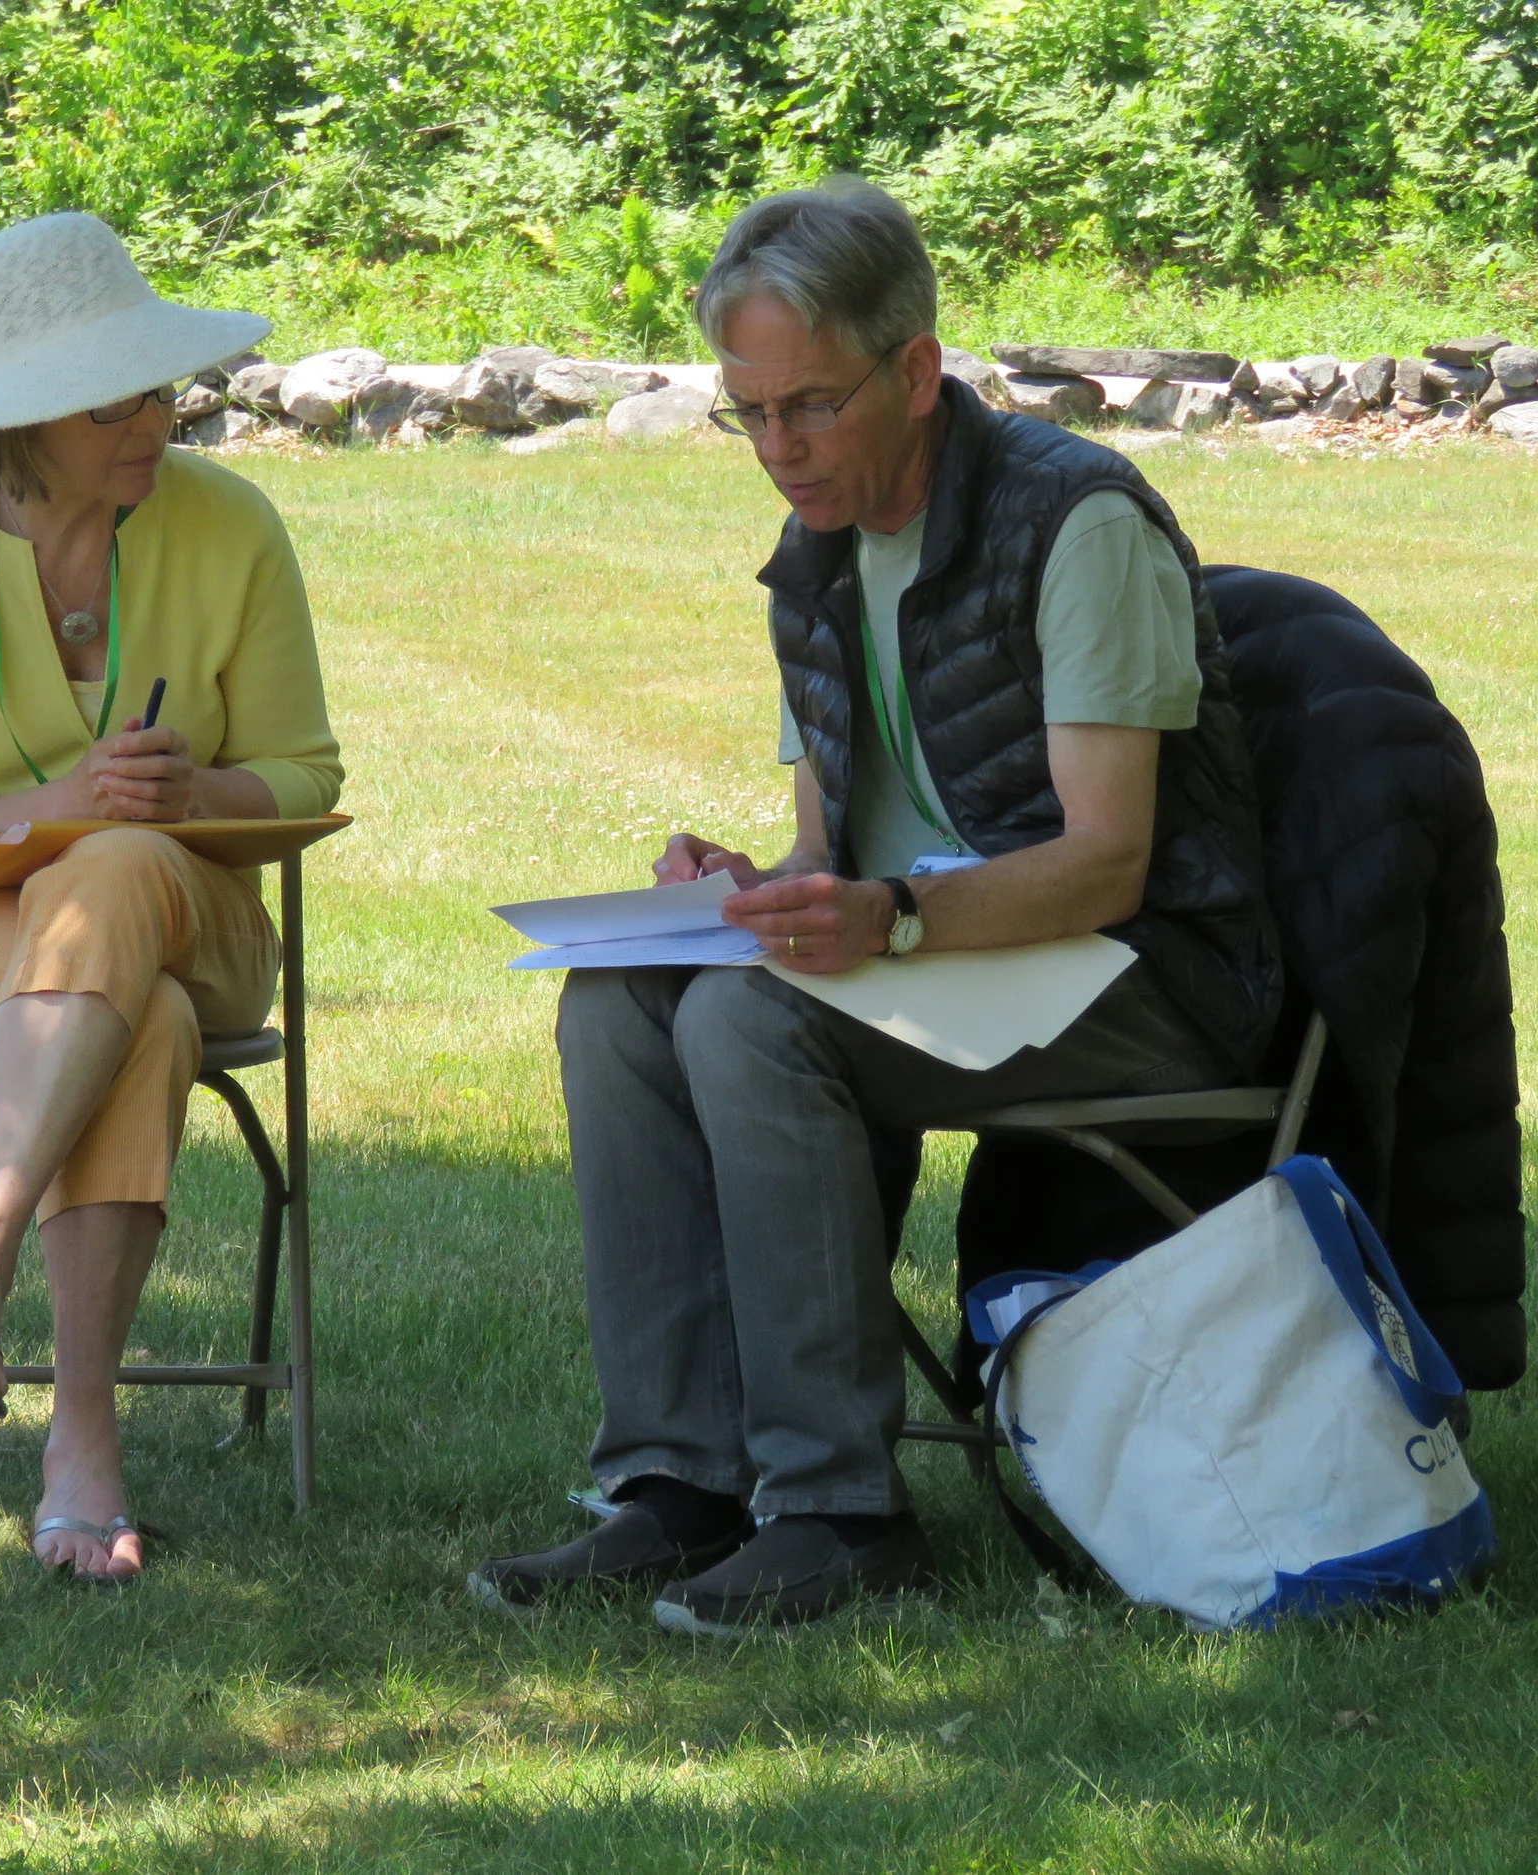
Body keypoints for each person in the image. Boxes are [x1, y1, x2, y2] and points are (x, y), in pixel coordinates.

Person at [469, 178, 1281, 1635]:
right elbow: (831, 843)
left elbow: (1109, 862)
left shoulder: (1075, 520)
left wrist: (888, 917)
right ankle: (680, 1485)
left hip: (1139, 980)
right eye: (751, 413)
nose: (780, 449)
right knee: (618, 1005)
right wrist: (760, 886)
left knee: (748, 1021)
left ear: (916, 371)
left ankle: (840, 1506)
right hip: (949, 963)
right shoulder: (818, 560)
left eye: (811, 407)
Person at [0, 212, 341, 1582]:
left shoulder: (232, 529)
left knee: (119, 872)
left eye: (161, 390)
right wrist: (50, 810)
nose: (153, 421)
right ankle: (82, 1439)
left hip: (196, 907)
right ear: (27, 419)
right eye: (114, 401)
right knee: (145, 1021)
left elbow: (306, 770)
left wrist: (188, 801)